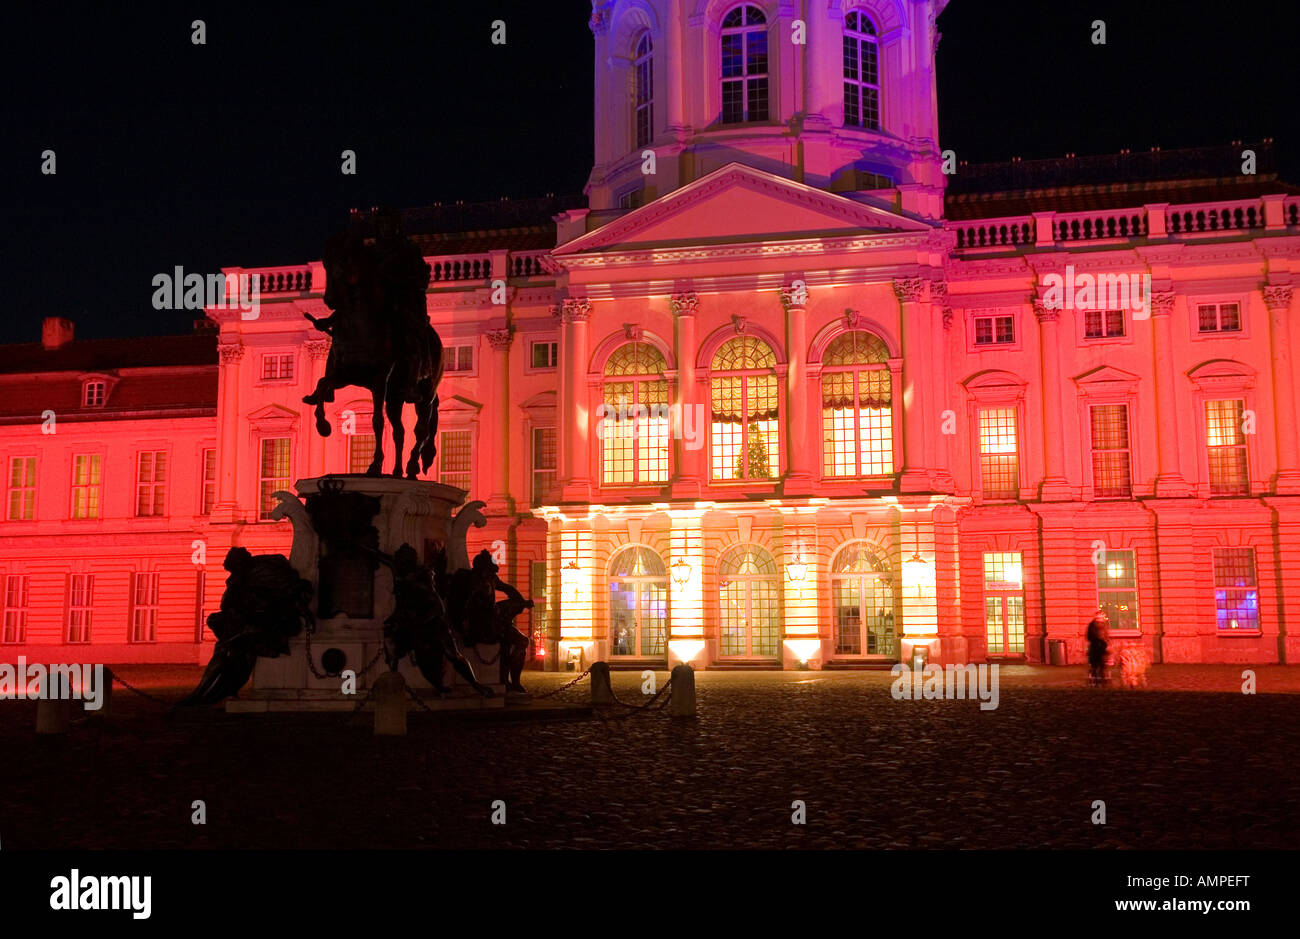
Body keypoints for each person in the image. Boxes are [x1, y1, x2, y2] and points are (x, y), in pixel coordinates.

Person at [1085, 608, 1110, 686]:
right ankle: (1096, 681)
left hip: (1102, 648)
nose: (1100, 618)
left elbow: (1106, 636)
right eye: (1099, 616)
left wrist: (1106, 644)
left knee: (1102, 666)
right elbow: (1089, 636)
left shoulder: (1104, 625)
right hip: (1095, 648)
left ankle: (1101, 681)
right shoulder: (1092, 625)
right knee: (1095, 666)